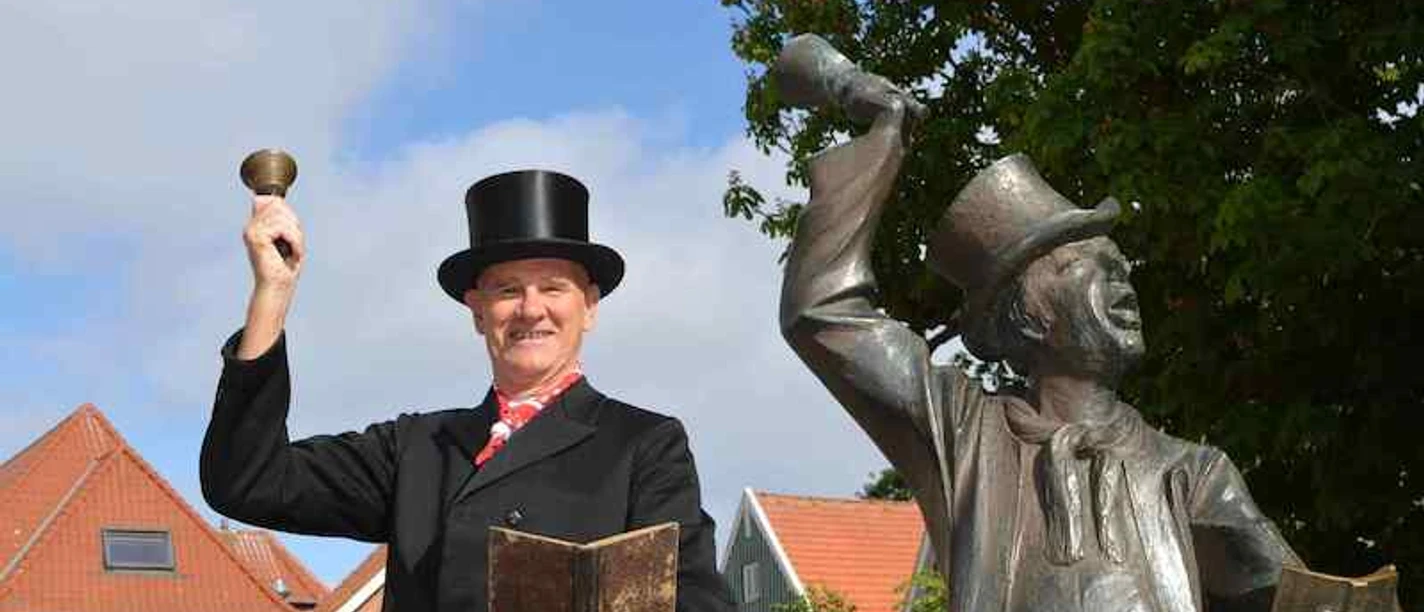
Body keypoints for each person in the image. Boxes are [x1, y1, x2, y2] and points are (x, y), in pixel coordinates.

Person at [776, 54, 1305, 611]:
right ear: (1027, 313)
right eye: (1087, 265)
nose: (1121, 280)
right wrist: (877, 129)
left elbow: (1305, 601)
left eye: (1121, 266)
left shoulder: (1191, 474)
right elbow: (821, 309)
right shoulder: (963, 430)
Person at [201, 169, 733, 612]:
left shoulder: (644, 445)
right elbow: (247, 482)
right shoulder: (416, 448)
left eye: (553, 287)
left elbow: (696, 602)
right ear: (478, 311)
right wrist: (273, 291)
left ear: (589, 306)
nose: (531, 309)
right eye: (507, 290)